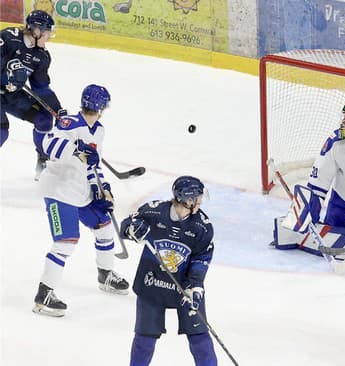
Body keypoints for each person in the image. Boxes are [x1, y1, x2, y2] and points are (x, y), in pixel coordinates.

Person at [32, 84, 129, 317]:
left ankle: (105, 275)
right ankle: (44, 295)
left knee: (104, 228)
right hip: (58, 190)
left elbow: (94, 165)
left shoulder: (99, 130)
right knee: (66, 242)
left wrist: (103, 189)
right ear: (102, 107)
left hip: (81, 188)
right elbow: (47, 144)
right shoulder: (69, 124)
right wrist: (75, 149)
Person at [271, 100, 345, 262]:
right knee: (333, 242)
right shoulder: (336, 142)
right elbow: (318, 182)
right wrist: (310, 213)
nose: (344, 122)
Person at [121, 176, 217, 366]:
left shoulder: (202, 227)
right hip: (152, 283)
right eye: (197, 197)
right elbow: (126, 225)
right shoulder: (154, 211)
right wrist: (131, 229)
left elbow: (201, 258)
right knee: (144, 340)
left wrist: (195, 286)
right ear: (187, 200)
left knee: (200, 341)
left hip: (185, 287)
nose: (200, 201)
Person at [1, 10, 66, 177]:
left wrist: (59, 111)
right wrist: (7, 76)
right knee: (1, 131)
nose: (49, 37)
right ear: (36, 30)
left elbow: (41, 88)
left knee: (45, 119)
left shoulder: (42, 56)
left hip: (11, 95)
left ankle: (43, 161)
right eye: (47, 32)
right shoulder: (8, 38)